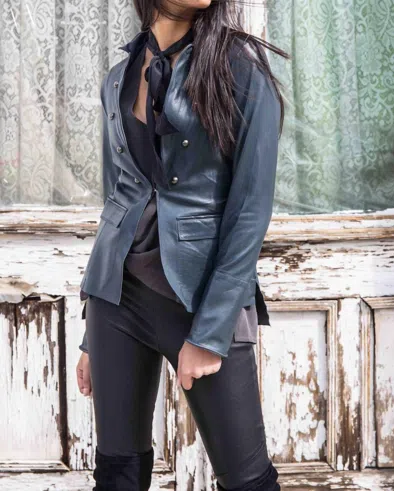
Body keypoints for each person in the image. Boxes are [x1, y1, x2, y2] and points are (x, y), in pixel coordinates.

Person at [76, 0, 288, 489]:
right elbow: (118, 199)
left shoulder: (242, 74)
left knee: (249, 481)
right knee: (117, 474)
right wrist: (91, 337)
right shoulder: (117, 78)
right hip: (116, 300)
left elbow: (249, 214)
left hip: (201, 299)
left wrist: (211, 333)